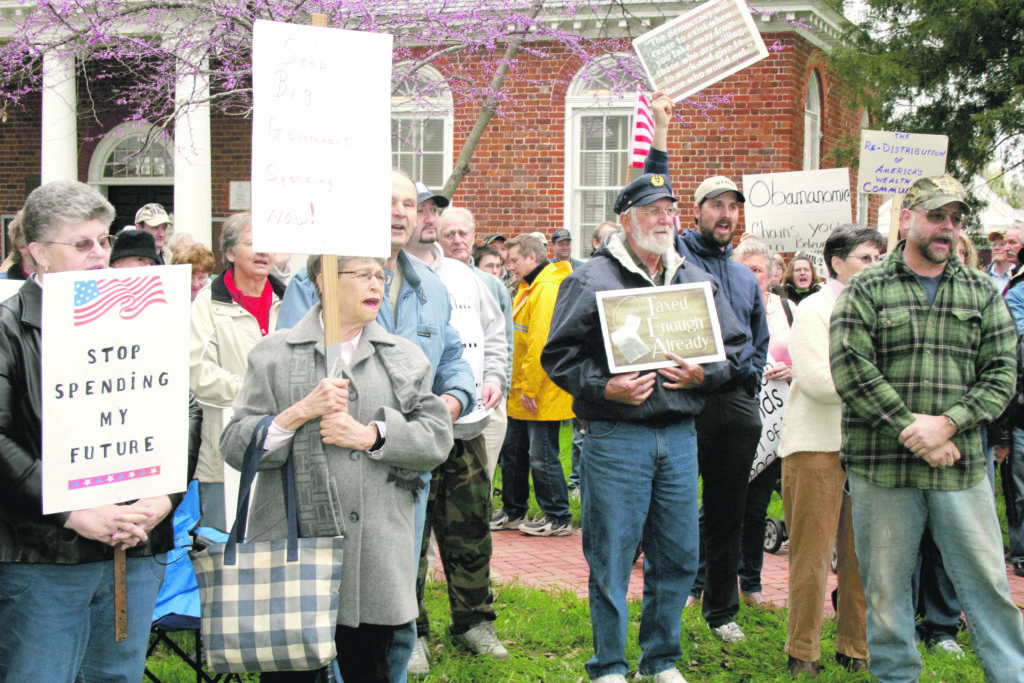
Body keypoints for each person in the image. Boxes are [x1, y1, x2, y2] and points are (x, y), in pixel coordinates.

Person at [542, 173, 748, 683]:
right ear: (626, 220)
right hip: (616, 437)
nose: (664, 220)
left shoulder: (693, 278)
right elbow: (558, 357)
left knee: (677, 555)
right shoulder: (591, 279)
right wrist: (603, 387)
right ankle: (609, 665)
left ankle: (661, 660)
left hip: (680, 435)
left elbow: (735, 349)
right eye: (652, 210)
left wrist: (705, 375)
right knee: (611, 556)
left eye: (669, 210)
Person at [0, 179, 201, 682]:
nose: (98, 253)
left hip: (134, 545)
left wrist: (162, 497)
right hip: (45, 556)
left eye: (104, 240)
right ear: (38, 253)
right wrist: (72, 511)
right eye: (81, 243)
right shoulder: (8, 328)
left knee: (117, 676)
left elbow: (184, 407)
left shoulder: (140, 314)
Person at [221, 253, 452, 683]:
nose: (376, 284)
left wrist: (371, 437)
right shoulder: (274, 353)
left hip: (374, 558)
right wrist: (298, 413)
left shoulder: (403, 356)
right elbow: (236, 445)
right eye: (362, 274)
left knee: (370, 670)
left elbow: (437, 438)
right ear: (324, 279)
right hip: (293, 554)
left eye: (380, 276)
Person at [830, 174, 1024, 683]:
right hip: (882, 468)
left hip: (961, 468)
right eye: (937, 216)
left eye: (955, 219)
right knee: (885, 591)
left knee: (988, 584)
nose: (948, 227)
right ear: (907, 220)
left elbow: (1002, 372)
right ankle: (897, 677)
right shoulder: (866, 287)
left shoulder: (981, 291)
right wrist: (912, 430)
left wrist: (949, 425)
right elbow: (851, 369)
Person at [645, 91, 769, 642]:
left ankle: (721, 611)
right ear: (694, 213)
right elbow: (655, 194)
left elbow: (757, 344)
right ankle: (669, 603)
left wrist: (737, 380)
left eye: (733, 206)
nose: (726, 214)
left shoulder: (743, 276)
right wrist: (662, 133)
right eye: (716, 205)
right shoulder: (678, 256)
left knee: (728, 512)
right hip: (685, 401)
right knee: (673, 509)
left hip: (734, 405)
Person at [404, 182, 509, 673]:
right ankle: (410, 630)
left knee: (470, 528)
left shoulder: (467, 277)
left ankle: (473, 621)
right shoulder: (385, 273)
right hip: (409, 433)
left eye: (434, 210)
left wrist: (494, 377)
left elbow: (494, 334)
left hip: (465, 429)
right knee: (408, 536)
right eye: (421, 209)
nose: (429, 218)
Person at [778, 223, 882, 677]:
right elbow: (816, 380)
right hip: (816, 446)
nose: (874, 266)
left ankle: (855, 647)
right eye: (865, 258)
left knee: (863, 556)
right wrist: (880, 392)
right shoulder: (814, 309)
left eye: (879, 258)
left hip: (869, 448)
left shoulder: (882, 308)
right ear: (836, 262)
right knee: (812, 556)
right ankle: (802, 650)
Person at [189, 212, 287, 531]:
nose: (263, 251)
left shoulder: (290, 303)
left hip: (283, 450)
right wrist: (254, 393)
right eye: (252, 243)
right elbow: (198, 373)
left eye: (268, 243)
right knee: (224, 544)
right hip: (224, 452)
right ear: (230, 253)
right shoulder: (207, 304)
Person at [490, 234, 574, 537]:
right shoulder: (531, 287)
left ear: (532, 258)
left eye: (514, 260)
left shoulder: (545, 289)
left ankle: (558, 516)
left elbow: (540, 343)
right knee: (513, 451)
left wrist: (529, 388)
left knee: (542, 456)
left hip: (538, 390)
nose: (510, 267)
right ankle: (513, 510)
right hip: (522, 387)